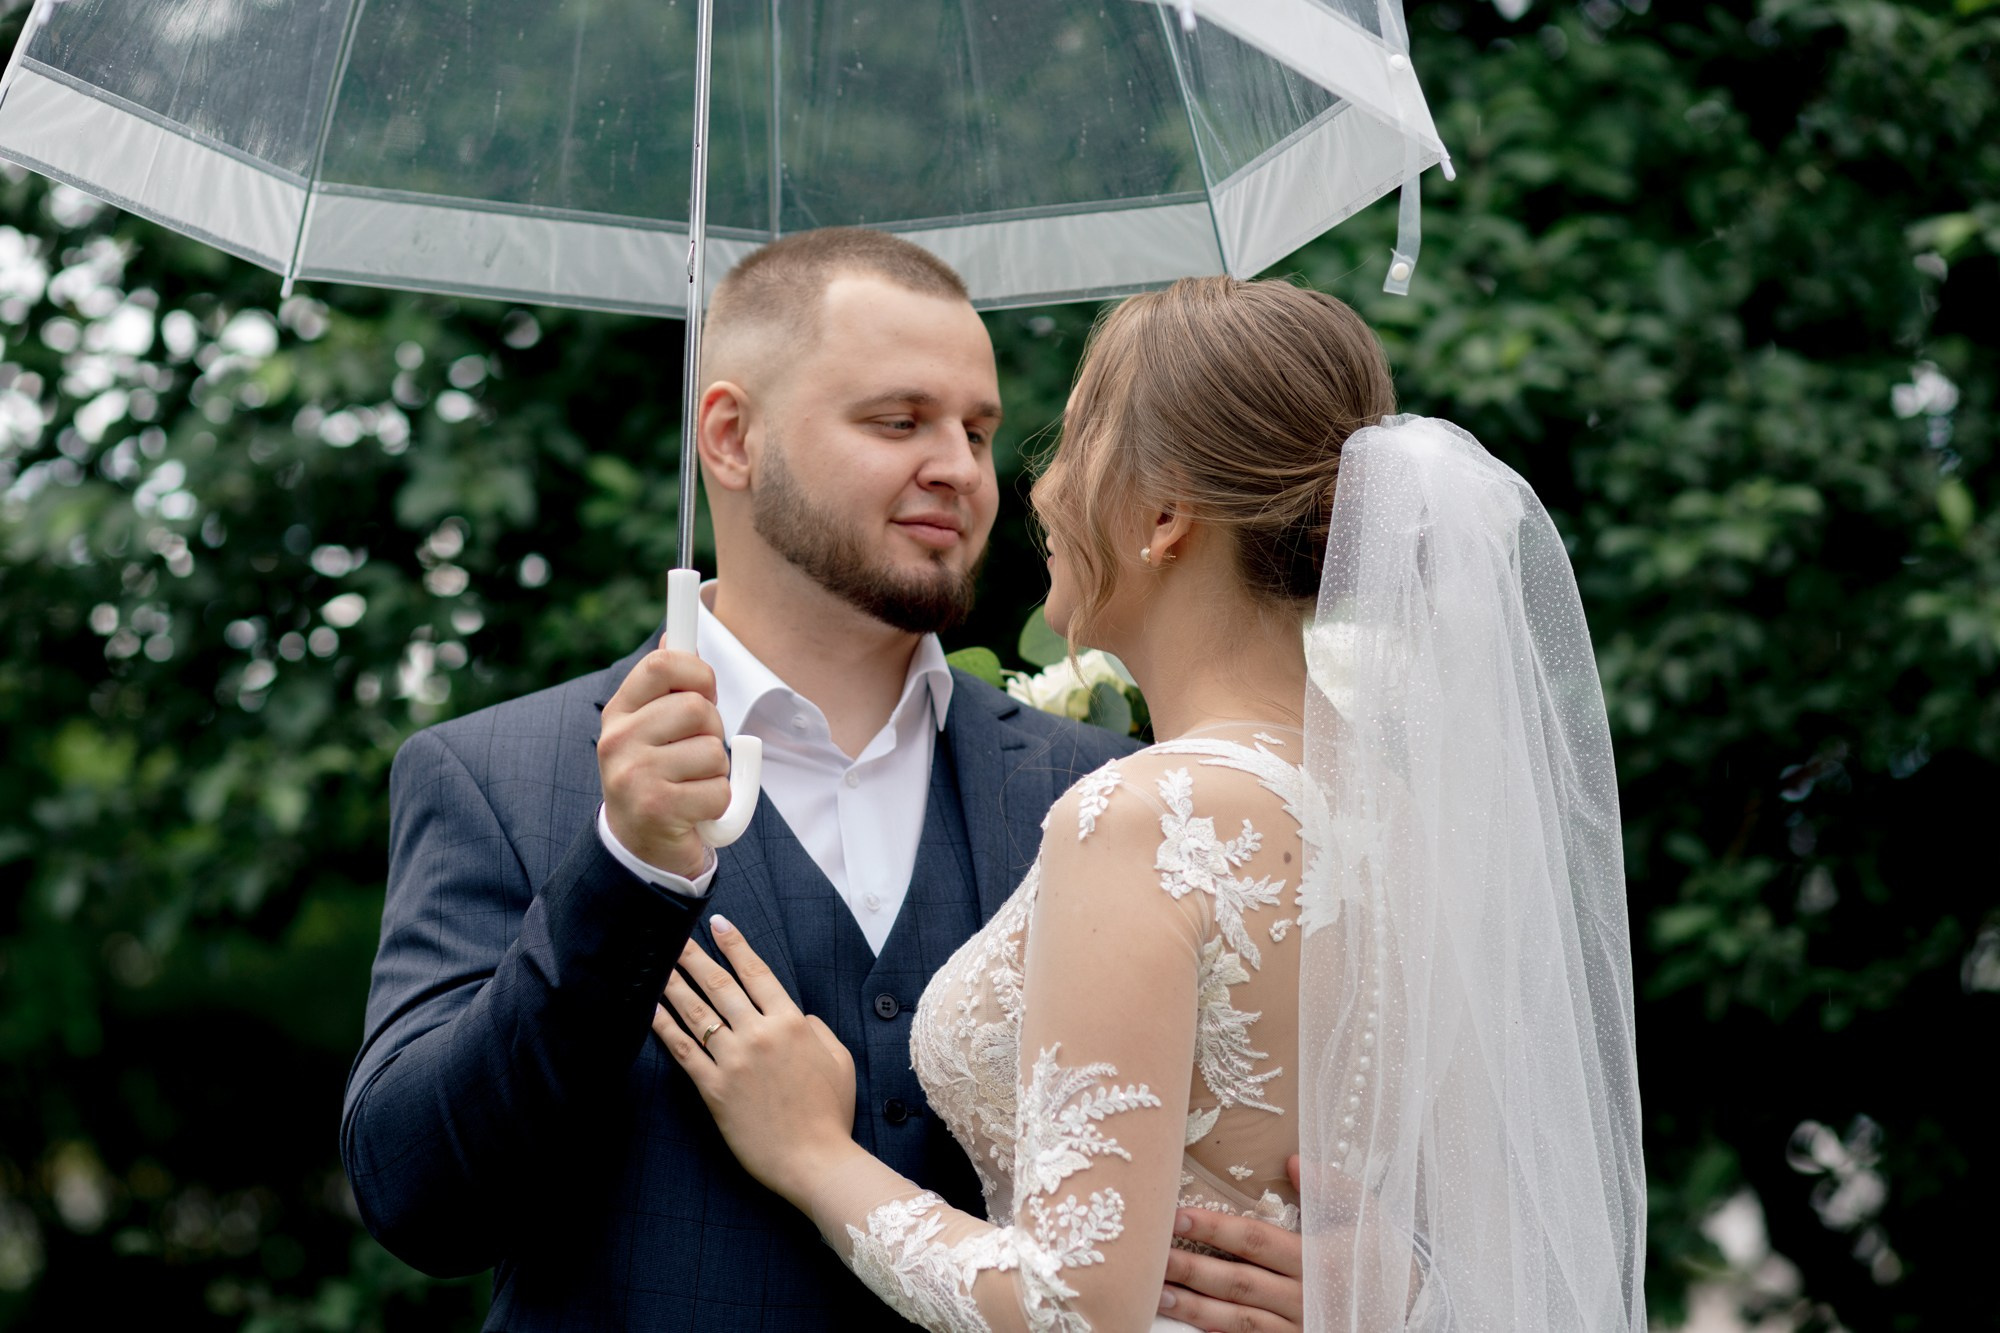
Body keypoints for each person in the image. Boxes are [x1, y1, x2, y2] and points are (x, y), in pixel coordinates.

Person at [341, 230, 1309, 1331]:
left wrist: (1353, 1269)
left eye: (978, 431)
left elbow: (1266, 1148)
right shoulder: (495, 777)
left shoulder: (1113, 785)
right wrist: (621, 870)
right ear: (730, 436)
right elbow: (421, 1200)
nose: (958, 465)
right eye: (897, 421)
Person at [651, 276, 1650, 1331]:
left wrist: (810, 1152)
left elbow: (1069, 1309)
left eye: (1074, 440)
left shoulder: (1143, 816)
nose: (1035, 491)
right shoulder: (1403, 816)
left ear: (1166, 514)